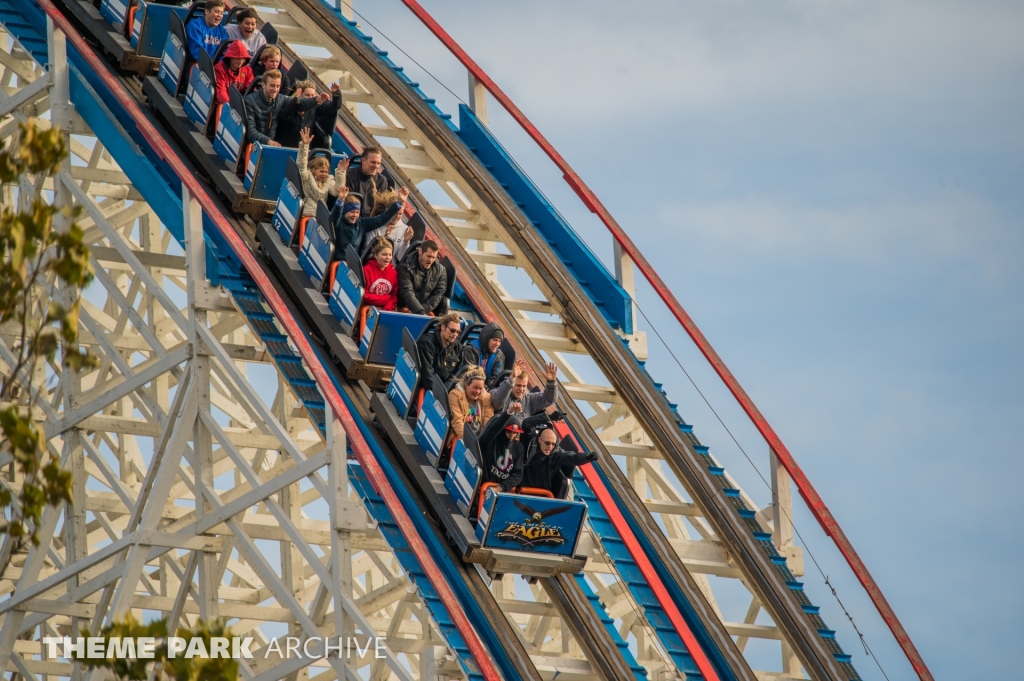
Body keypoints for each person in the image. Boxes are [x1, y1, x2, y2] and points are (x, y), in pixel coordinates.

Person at [243, 71, 326, 147]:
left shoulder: (280, 99)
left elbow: (300, 103)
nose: (275, 90)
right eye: (272, 86)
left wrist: (316, 101)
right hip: (254, 144)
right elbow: (250, 131)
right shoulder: (250, 102)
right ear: (263, 85)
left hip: (272, 144)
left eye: (278, 86)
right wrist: (268, 141)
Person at [330, 186, 408, 257]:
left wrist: (399, 203)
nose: (355, 215)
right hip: (337, 259)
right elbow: (335, 216)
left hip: (352, 263)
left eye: (357, 212)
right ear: (344, 212)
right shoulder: (338, 222)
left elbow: (382, 219)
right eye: (352, 212)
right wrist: (340, 201)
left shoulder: (362, 223)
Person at [521, 427, 595, 498]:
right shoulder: (530, 447)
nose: (550, 446)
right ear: (539, 440)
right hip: (520, 486)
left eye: (553, 444)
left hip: (537, 493)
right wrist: (545, 416)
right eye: (547, 443)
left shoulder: (556, 456)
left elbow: (573, 457)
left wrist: (587, 457)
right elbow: (527, 423)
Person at [295, 127, 347, 217]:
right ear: (314, 170)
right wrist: (304, 145)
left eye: (326, 172)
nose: (324, 174)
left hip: (321, 216)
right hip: (306, 212)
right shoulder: (307, 176)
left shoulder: (329, 180)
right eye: (321, 171)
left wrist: (341, 172)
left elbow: (335, 191)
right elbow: (301, 164)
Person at [275, 81, 342, 148]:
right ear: (300, 95)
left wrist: (336, 94)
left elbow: (334, 107)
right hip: (283, 146)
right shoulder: (291, 105)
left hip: (302, 149)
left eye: (312, 95)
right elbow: (283, 116)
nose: (310, 98)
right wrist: (295, 101)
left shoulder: (315, 109)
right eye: (307, 95)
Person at [477, 403, 525, 494]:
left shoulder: (519, 447)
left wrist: (501, 487)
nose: (512, 435)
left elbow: (518, 474)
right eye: (509, 431)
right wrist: (509, 412)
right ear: (503, 430)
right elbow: (494, 428)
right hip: (482, 486)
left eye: (515, 433)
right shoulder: (491, 440)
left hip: (502, 490)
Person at [416, 311, 463, 394]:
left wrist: (445, 390)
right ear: (442, 327)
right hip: (426, 390)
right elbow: (426, 374)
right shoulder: (427, 343)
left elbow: (456, 374)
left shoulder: (458, 347)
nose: (455, 334)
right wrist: (437, 393)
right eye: (452, 330)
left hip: (444, 391)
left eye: (458, 332)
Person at [491, 358, 560, 415]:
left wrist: (551, 382)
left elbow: (548, 399)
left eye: (524, 386)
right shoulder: (496, 392)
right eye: (518, 385)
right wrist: (512, 378)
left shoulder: (529, 400)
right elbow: (497, 402)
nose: (521, 389)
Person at [397, 240, 447, 316]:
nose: (430, 260)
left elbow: (438, 295)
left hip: (424, 311)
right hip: (404, 308)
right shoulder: (405, 267)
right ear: (420, 251)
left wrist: (422, 311)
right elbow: (407, 292)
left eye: (434, 257)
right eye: (428, 256)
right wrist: (419, 312)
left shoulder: (441, 271)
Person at [447, 367, 494, 446]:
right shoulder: (455, 395)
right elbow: (457, 422)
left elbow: (488, 419)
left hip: (478, 439)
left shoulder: (486, 397)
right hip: (460, 439)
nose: (478, 391)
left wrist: (483, 440)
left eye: (480, 388)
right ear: (466, 384)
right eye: (475, 387)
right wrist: (470, 443)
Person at [362, 189, 415, 259]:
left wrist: (406, 241)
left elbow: (400, 258)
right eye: (395, 213)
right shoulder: (375, 223)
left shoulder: (404, 229)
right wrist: (385, 238)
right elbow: (369, 253)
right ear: (388, 210)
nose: (397, 217)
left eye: (400, 214)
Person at [345, 146, 392, 216]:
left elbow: (381, 208)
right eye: (373, 162)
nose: (376, 166)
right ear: (363, 160)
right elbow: (348, 203)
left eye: (378, 163)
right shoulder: (349, 175)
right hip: (352, 217)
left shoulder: (382, 181)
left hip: (371, 221)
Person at [462, 322, 505, 389]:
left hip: (486, 390)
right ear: (486, 338)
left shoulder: (499, 356)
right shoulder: (470, 350)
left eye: (500, 341)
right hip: (469, 386)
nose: (497, 344)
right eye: (495, 340)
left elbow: (495, 378)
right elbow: (470, 375)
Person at [361, 237, 399, 311]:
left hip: (385, 309)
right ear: (376, 255)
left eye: (390, 255)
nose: (388, 258)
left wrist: (387, 309)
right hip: (367, 309)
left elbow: (394, 296)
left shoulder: (393, 273)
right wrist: (385, 298)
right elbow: (364, 295)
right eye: (384, 254)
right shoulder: (366, 270)